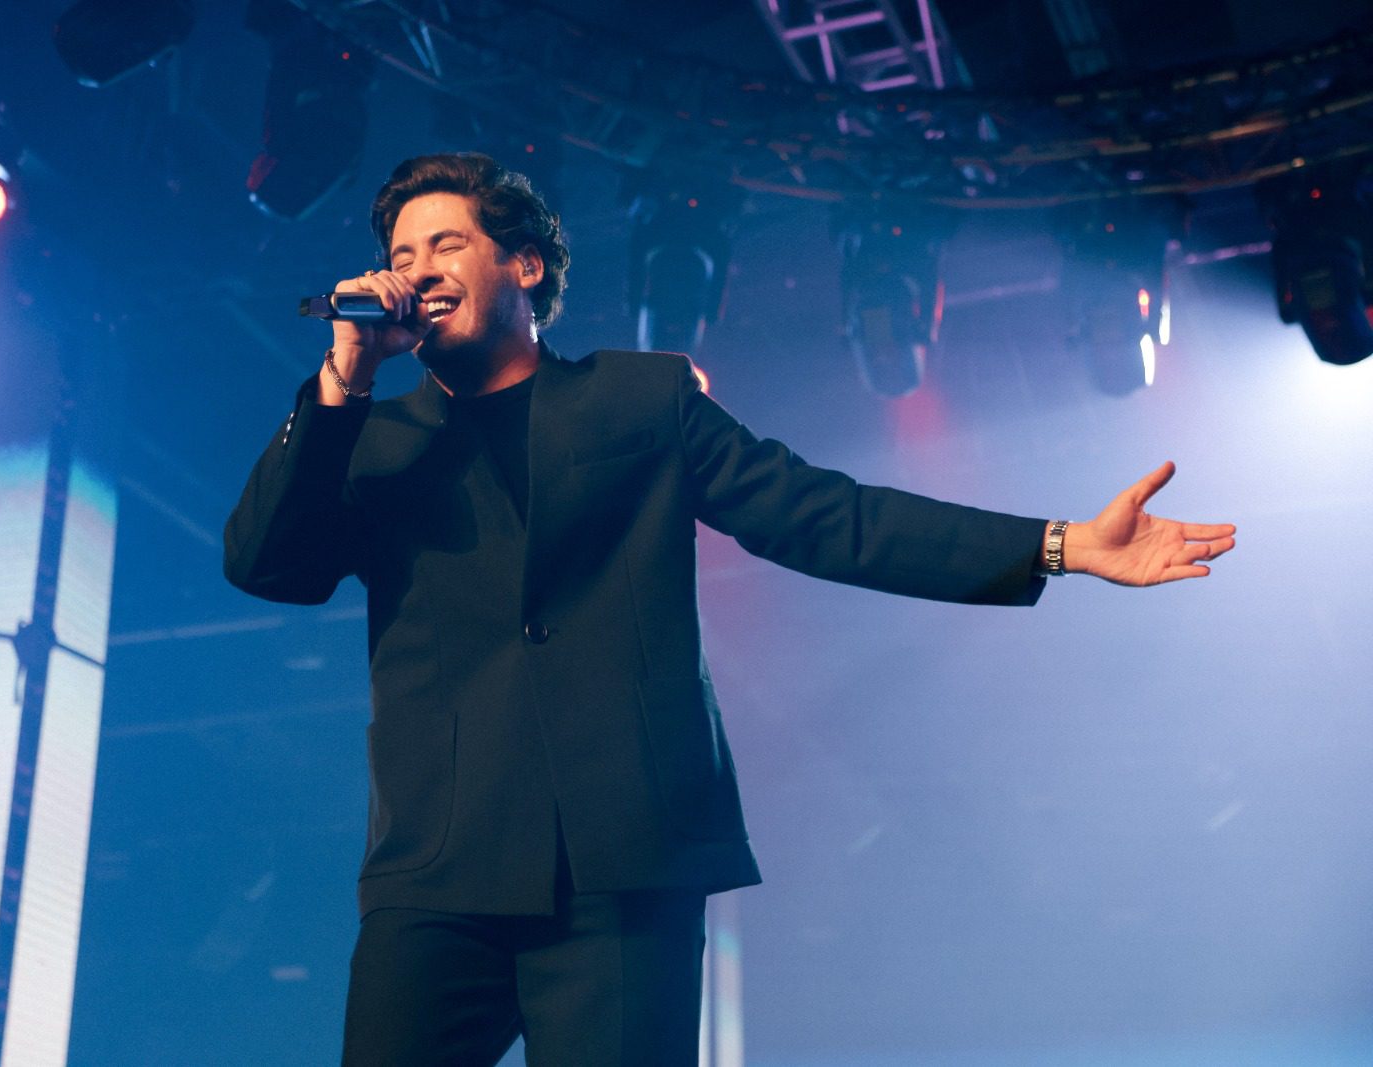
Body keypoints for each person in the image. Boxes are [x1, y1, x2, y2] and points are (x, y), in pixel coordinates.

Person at [223, 153, 1236, 1066]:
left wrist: (1058, 543)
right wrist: (344, 380)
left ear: (523, 265)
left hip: (627, 865)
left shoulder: (639, 399)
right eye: (401, 253)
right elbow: (269, 565)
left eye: (445, 243)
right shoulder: (369, 436)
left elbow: (824, 516)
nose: (416, 268)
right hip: (438, 871)